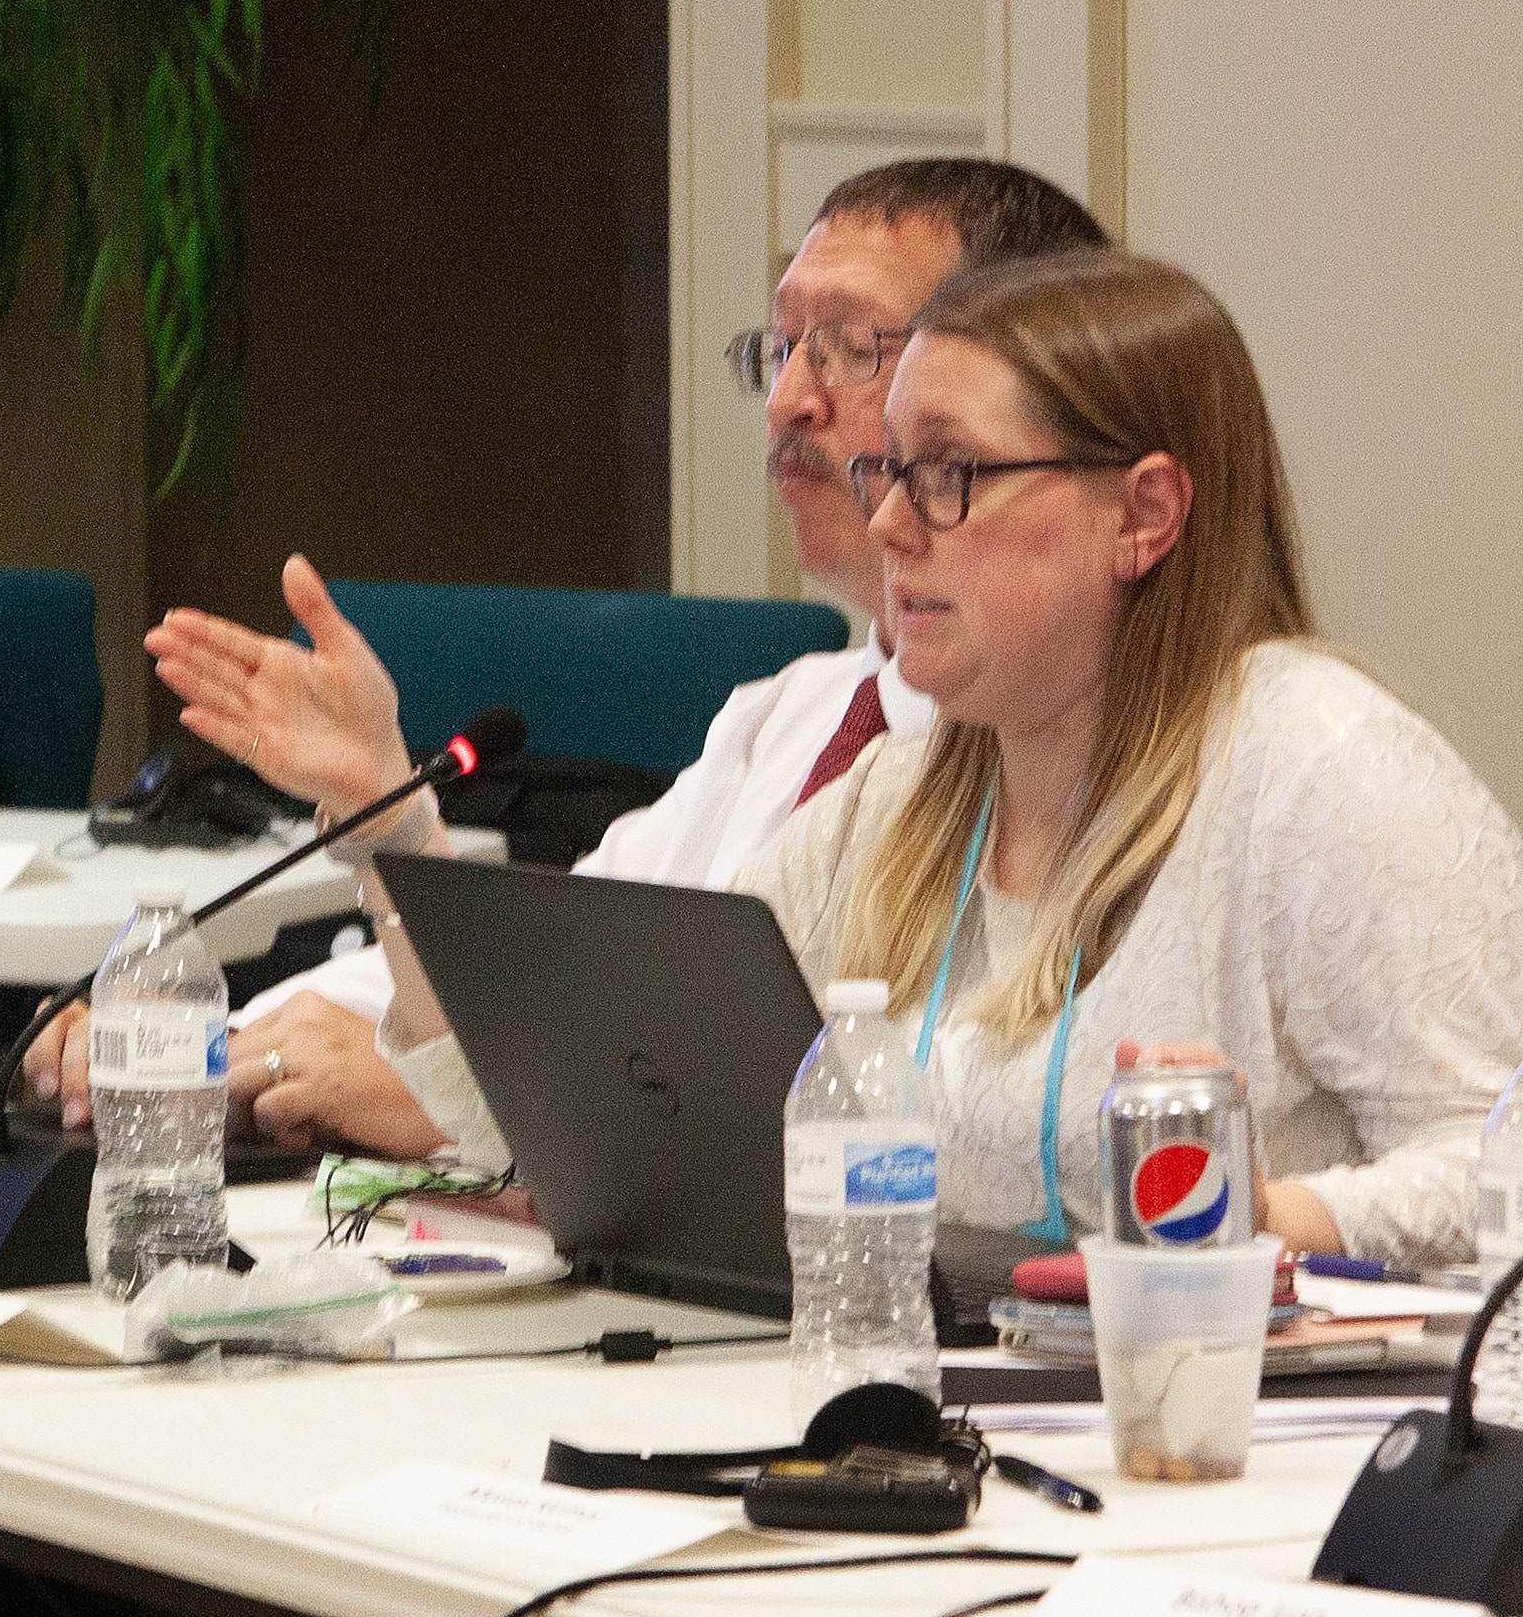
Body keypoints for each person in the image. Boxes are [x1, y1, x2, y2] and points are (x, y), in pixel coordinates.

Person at [300, 251, 1519, 1266]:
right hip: (918, 1415)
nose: (886, 521)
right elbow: (598, 1101)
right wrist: (391, 836)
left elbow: (1501, 1166)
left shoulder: (1320, 772)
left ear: (1145, 514)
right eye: (889, 470)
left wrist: (1269, 1221)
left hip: (1229, 1467)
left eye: (948, 474)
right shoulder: (908, 791)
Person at [33, 158, 1107, 1156]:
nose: (788, 400)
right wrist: (196, 1033)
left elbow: (771, 1097)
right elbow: (559, 984)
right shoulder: (787, 716)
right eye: (783, 348)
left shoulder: (1070, 753)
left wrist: (459, 1104)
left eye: (848, 346)